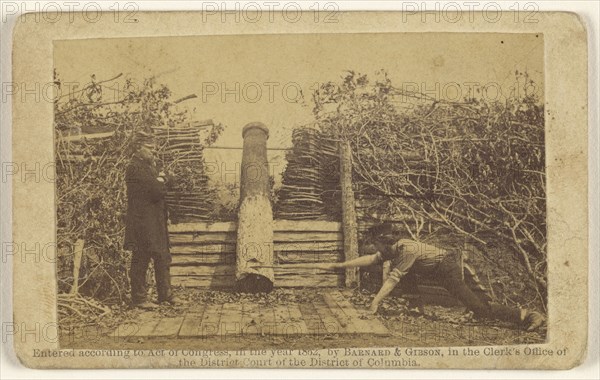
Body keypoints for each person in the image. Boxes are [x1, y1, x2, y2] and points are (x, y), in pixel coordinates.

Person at [321, 223, 545, 331]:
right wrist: (340, 265)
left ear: (386, 243)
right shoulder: (393, 249)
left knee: (481, 308)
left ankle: (528, 315)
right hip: (440, 270)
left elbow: (392, 279)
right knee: (479, 307)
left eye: (377, 245)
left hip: (450, 267)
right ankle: (415, 306)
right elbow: (369, 260)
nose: (375, 249)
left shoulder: (406, 250)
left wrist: (374, 303)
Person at [124, 131, 181, 309]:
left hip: (156, 221)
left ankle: (165, 294)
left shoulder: (151, 167)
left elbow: (170, 181)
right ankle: (139, 298)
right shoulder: (134, 168)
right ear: (138, 148)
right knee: (141, 258)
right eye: (149, 149)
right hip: (142, 222)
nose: (153, 152)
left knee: (163, 256)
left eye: (154, 149)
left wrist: (161, 179)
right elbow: (156, 191)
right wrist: (161, 179)